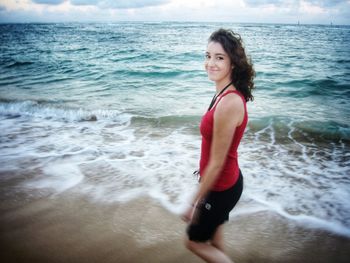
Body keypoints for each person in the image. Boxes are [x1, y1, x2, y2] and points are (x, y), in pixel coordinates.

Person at [181, 28, 255, 263]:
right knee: (214, 240)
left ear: (233, 63)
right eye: (207, 56)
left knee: (193, 241)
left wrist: (193, 202)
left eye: (219, 57)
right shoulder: (222, 93)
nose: (210, 63)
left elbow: (217, 163)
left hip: (221, 187)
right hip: (223, 181)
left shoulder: (228, 103)